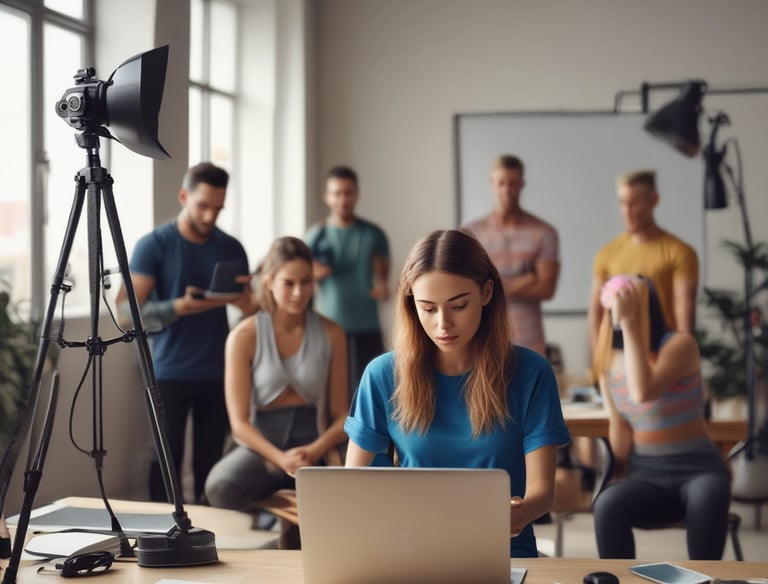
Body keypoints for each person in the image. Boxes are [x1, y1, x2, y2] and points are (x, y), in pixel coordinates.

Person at [344, 229, 571, 558]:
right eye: (428, 308)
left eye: (458, 305)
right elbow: (350, 485)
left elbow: (542, 491)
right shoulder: (382, 375)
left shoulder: (531, 373)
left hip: (502, 555)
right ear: (411, 303)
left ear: (487, 292)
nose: (443, 324)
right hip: (408, 555)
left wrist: (521, 511)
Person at [116, 162, 258, 503]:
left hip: (217, 371)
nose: (211, 216)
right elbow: (124, 315)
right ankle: (162, 535)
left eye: (218, 208)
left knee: (211, 463)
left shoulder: (231, 248)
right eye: (203, 206)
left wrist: (245, 300)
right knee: (165, 460)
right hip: (167, 373)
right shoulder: (154, 245)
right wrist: (178, 307)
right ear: (184, 196)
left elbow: (251, 310)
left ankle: (209, 538)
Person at [591, 275, 731, 560]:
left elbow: (643, 391)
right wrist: (615, 474)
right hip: (647, 474)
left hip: (700, 469)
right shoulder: (609, 362)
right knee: (607, 504)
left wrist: (629, 323)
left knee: (708, 497)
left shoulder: (680, 345)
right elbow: (620, 425)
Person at [205, 236, 349, 512]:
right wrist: (281, 459)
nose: (299, 293)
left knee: (349, 498)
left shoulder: (333, 333)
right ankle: (272, 521)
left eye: (306, 282)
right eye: (289, 283)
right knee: (219, 487)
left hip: (315, 443)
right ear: (269, 282)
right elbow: (239, 424)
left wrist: (314, 451)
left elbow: (342, 415)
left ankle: (289, 517)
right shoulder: (243, 337)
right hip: (263, 447)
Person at [588, 170, 699, 353]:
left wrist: (679, 361)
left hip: (662, 353)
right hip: (618, 354)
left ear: (653, 201)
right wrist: (599, 363)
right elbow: (596, 315)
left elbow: (684, 320)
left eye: (634, 203)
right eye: (623, 203)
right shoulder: (607, 254)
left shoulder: (679, 252)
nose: (627, 211)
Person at [305, 165, 391, 398]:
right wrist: (313, 274)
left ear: (356, 194)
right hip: (329, 326)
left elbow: (384, 281)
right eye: (337, 192)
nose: (343, 199)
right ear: (327, 196)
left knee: (373, 391)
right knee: (333, 393)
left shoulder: (374, 234)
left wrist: (383, 287)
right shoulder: (316, 236)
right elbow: (300, 278)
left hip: (367, 325)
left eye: (348, 192)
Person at [463, 154, 560, 356]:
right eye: (501, 183)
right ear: (492, 184)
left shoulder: (543, 232)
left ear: (522, 185)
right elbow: (466, 286)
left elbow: (546, 288)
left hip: (529, 340)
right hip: (483, 337)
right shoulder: (471, 233)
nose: (506, 191)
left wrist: (490, 284)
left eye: (513, 184)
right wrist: (527, 279)